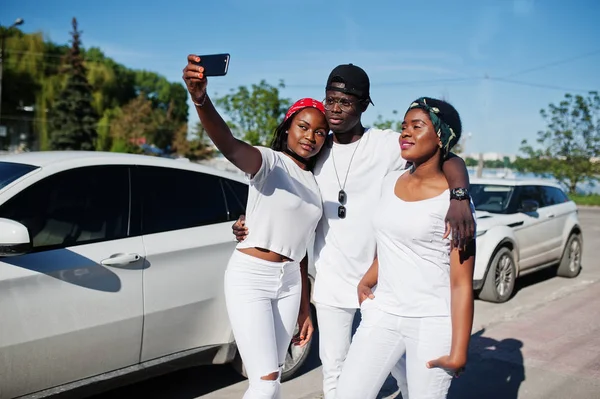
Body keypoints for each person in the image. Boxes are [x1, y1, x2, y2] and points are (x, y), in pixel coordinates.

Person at [233, 64, 475, 399]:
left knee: (404, 373)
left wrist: (460, 194)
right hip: (331, 282)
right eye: (330, 100)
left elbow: (447, 156)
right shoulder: (315, 146)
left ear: (363, 105)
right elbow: (281, 189)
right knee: (336, 373)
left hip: (379, 284)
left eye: (345, 102)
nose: (334, 109)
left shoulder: (387, 144)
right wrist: (249, 220)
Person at [182, 54, 329, 399]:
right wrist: (200, 99)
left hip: (292, 282)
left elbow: (301, 245)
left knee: (273, 379)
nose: (311, 136)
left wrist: (305, 307)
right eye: (304, 126)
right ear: (288, 126)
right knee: (264, 383)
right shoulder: (269, 162)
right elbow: (229, 144)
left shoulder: (314, 181)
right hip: (252, 278)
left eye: (320, 132)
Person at [334, 97, 476, 399]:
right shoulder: (390, 181)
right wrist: (369, 277)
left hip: (432, 321)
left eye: (417, 126)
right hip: (383, 313)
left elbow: (461, 282)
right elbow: (391, 240)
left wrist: (459, 351)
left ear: (440, 136)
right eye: (403, 127)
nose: (405, 133)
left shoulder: (456, 205)